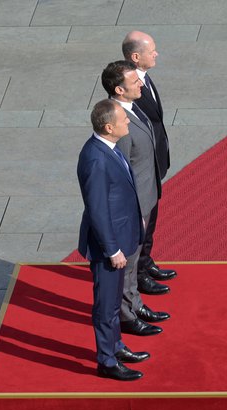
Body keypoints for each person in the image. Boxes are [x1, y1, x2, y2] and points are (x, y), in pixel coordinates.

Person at [77, 99, 149, 381]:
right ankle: (106, 360)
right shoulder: (95, 158)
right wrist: (112, 249)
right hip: (109, 248)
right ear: (109, 127)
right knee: (106, 306)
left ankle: (116, 346)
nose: (128, 122)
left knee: (113, 302)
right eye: (123, 119)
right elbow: (97, 209)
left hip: (120, 237)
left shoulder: (108, 148)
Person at [101, 60, 170, 338]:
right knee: (127, 264)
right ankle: (127, 316)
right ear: (119, 89)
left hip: (145, 196)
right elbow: (119, 173)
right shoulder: (116, 122)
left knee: (135, 259)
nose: (141, 83)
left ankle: (134, 304)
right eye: (134, 82)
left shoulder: (132, 108)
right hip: (133, 206)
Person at [122, 31, 177, 294]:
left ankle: (146, 261)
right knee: (143, 219)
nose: (156, 54)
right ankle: (139, 273)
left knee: (152, 217)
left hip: (155, 161)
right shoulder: (128, 85)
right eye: (151, 50)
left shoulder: (144, 77)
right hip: (143, 166)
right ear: (135, 57)